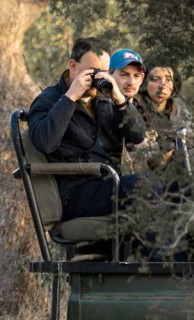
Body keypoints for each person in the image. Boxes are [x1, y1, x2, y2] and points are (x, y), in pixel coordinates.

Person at [28, 37, 147, 219]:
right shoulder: (49, 100)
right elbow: (44, 141)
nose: (97, 79)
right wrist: (70, 97)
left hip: (111, 184)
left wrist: (121, 101)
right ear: (73, 66)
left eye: (104, 72)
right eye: (92, 72)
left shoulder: (104, 99)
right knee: (142, 185)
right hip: (77, 193)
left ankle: (168, 248)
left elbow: (138, 136)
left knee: (177, 191)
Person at [138, 64, 193, 172]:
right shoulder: (135, 107)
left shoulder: (180, 112)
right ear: (144, 82)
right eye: (155, 79)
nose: (162, 85)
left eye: (168, 80)